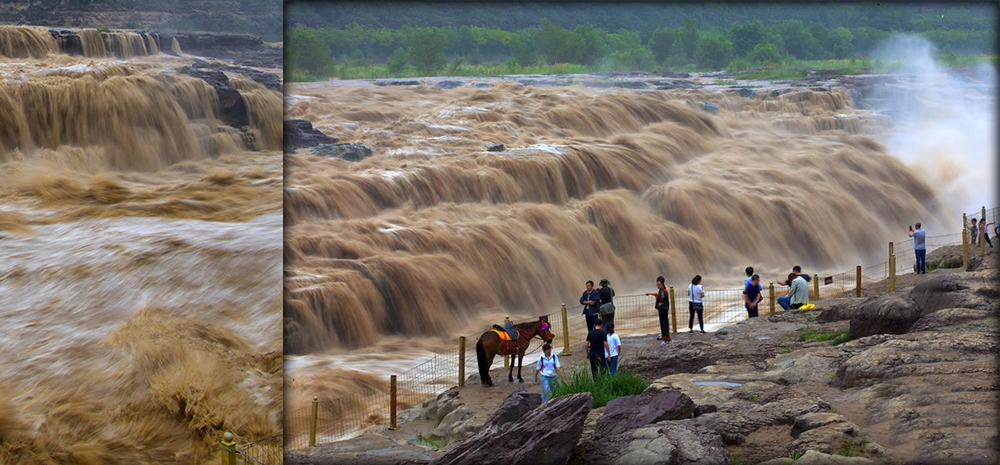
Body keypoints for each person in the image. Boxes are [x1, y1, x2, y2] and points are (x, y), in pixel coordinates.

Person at [646, 276, 671, 344]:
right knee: (664, 322)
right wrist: (651, 294)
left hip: (663, 309)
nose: (657, 285)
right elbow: (658, 294)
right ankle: (666, 336)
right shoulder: (662, 290)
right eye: (657, 284)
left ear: (662, 284)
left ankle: (665, 337)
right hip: (663, 309)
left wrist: (659, 304)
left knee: (663, 323)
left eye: (658, 284)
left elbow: (662, 298)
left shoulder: (663, 291)